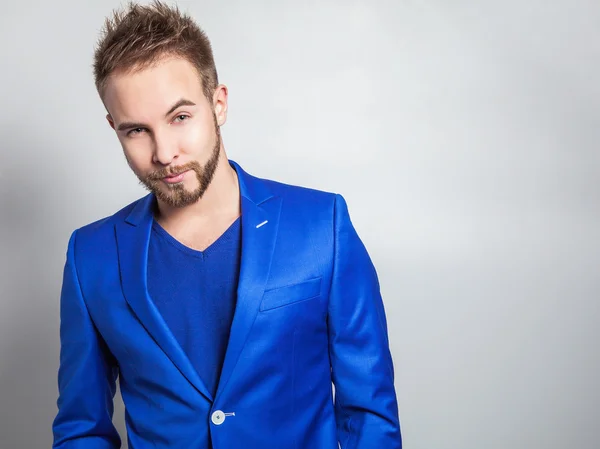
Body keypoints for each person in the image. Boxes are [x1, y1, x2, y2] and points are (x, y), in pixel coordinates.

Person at [51, 1, 401, 448]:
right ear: (113, 127)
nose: (163, 153)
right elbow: (81, 428)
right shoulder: (90, 256)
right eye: (136, 130)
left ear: (218, 104)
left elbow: (368, 411)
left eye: (180, 117)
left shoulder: (320, 226)